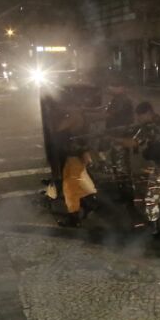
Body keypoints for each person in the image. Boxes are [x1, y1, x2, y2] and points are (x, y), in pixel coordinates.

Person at [126, 101, 160, 237]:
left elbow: (133, 143)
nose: (138, 119)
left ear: (148, 113)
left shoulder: (149, 127)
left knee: (150, 198)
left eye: (140, 116)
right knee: (158, 191)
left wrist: (113, 139)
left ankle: (153, 228)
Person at [52, 93, 100, 228]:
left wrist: (58, 115)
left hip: (74, 155)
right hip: (76, 154)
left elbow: (57, 128)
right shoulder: (80, 115)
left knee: (70, 187)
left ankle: (74, 217)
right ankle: (90, 203)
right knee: (77, 182)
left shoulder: (74, 116)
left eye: (66, 106)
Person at [102, 84, 137, 203]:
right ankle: (126, 194)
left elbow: (109, 114)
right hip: (118, 137)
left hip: (120, 138)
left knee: (120, 167)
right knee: (120, 166)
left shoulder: (121, 100)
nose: (110, 88)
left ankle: (127, 196)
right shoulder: (119, 99)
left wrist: (86, 116)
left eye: (114, 86)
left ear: (121, 87)